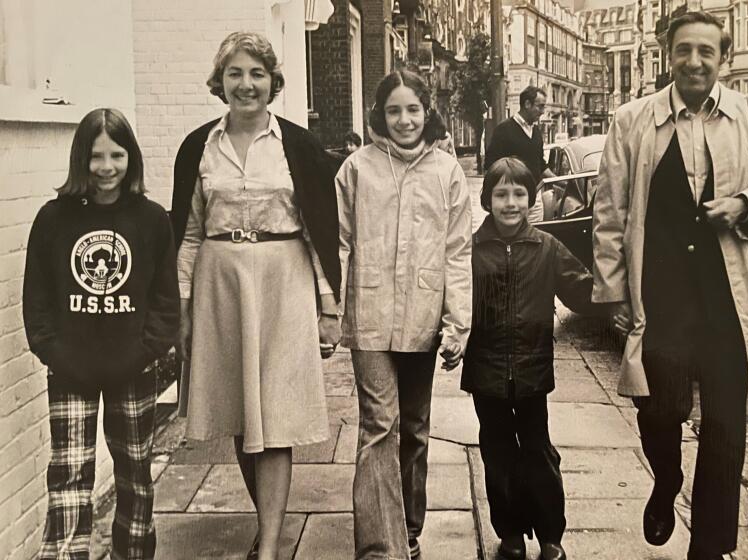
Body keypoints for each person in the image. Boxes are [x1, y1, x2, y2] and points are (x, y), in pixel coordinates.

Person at [592, 11, 748, 560]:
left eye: (707, 51)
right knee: (659, 411)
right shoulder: (632, 120)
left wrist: (746, 204)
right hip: (660, 297)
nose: (695, 62)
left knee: (727, 425)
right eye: (684, 50)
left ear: (723, 59)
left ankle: (710, 547)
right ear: (668, 55)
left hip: (730, 298)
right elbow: (609, 213)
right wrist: (612, 291)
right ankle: (665, 480)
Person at [170, 32, 341, 560]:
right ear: (220, 82)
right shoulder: (198, 145)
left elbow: (320, 230)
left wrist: (328, 307)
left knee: (276, 417)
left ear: (273, 82)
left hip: (282, 282)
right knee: (241, 418)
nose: (247, 85)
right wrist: (181, 308)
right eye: (236, 74)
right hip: (220, 286)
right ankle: (268, 522)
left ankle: (268, 545)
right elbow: (191, 232)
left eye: (257, 74)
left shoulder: (299, 145)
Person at [23, 108, 180, 559]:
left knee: (134, 473)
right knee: (69, 474)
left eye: (116, 155)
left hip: (132, 369)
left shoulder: (151, 219)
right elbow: (37, 301)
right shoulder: (53, 219)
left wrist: (145, 350)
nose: (106, 167)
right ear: (80, 160)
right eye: (95, 156)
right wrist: (55, 353)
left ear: (131, 158)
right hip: (71, 371)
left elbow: (166, 302)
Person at [335, 69, 473, 559]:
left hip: (423, 314)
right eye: (393, 110)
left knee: (414, 425)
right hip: (369, 314)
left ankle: (408, 532)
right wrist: (331, 311)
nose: (404, 119)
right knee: (379, 425)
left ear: (426, 110)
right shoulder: (356, 169)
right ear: (380, 114)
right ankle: (379, 547)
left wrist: (459, 323)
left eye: (412, 109)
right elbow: (340, 244)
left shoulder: (446, 172)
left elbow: (458, 250)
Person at [462, 157, 598, 560]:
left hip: (532, 371)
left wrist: (619, 293)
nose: (510, 202)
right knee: (498, 452)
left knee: (538, 450)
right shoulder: (470, 250)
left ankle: (551, 534)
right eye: (501, 194)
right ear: (487, 200)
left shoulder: (547, 248)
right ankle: (511, 534)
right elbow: (451, 299)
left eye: (518, 194)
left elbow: (582, 291)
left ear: (530, 199)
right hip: (486, 372)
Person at [484, 85, 556, 222]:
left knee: (533, 238)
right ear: (527, 104)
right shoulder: (503, 130)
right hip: (512, 202)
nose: (542, 111)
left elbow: (540, 164)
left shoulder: (536, 133)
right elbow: (490, 166)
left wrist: (560, 180)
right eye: (540, 106)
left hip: (535, 202)